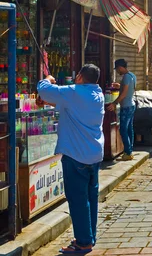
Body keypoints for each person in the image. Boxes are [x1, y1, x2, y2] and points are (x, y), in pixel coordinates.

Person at [37, 64, 104, 254]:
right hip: (94, 154)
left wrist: (48, 79)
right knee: (91, 198)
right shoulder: (96, 94)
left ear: (81, 76)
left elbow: (44, 89)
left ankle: (83, 242)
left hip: (77, 155)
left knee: (78, 200)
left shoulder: (74, 92)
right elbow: (69, 105)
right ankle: (89, 237)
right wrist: (51, 102)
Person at [107, 59, 137, 161]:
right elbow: (129, 90)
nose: (117, 72)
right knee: (129, 129)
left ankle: (128, 152)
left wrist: (114, 103)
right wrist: (119, 86)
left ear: (120, 67)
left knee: (123, 129)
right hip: (132, 105)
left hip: (126, 106)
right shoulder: (132, 76)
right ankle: (129, 151)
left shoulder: (126, 77)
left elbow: (124, 94)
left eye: (117, 69)